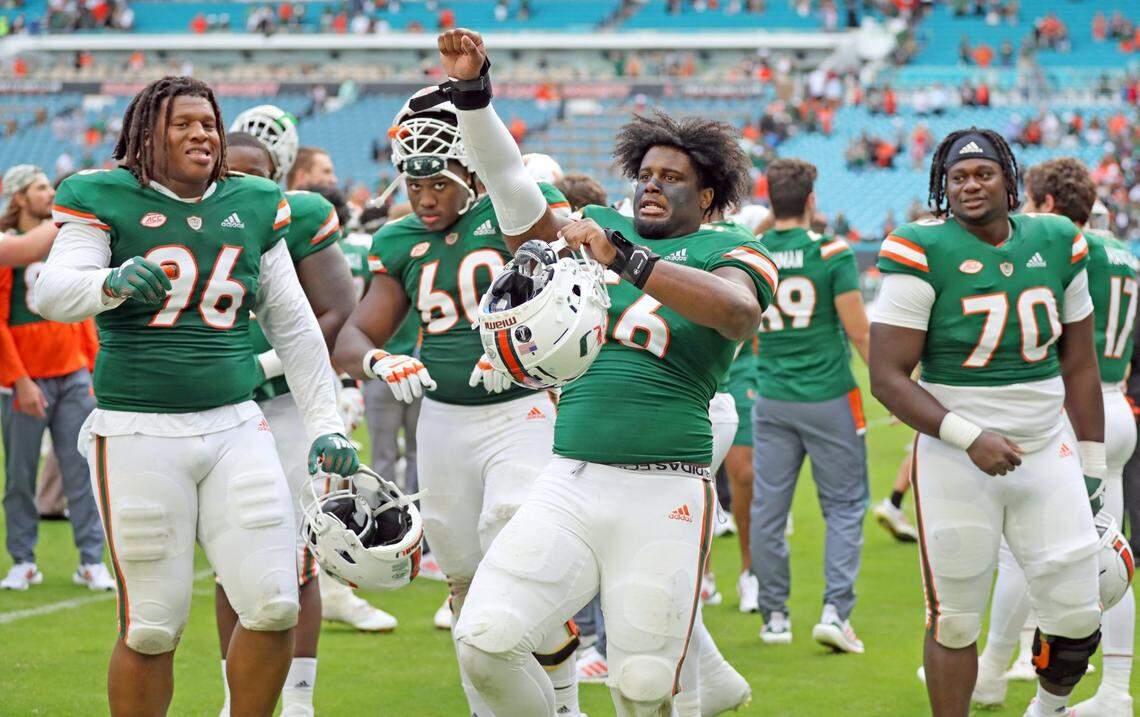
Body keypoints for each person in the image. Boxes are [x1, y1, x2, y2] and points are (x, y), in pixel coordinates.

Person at [426, 29, 776, 716]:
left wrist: (628, 261)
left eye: (671, 177)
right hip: (570, 479)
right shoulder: (593, 227)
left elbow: (737, 314)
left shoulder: (729, 247)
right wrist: (473, 96)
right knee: (484, 638)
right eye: (645, 174)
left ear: (708, 197)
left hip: (664, 488)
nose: (651, 185)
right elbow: (510, 183)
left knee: (644, 688)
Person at [33, 76, 359, 717]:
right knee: (153, 624)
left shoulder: (257, 201)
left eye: (208, 122)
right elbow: (51, 290)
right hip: (137, 431)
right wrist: (112, 282)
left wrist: (327, 423)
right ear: (144, 134)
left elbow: (294, 325)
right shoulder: (103, 197)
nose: (200, 134)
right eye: (181, 123)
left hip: (237, 423)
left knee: (273, 603)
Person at [333, 86, 582, 717]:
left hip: (520, 407)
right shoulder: (399, 240)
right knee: (464, 576)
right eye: (413, 185)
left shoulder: (510, 210)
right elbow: (354, 334)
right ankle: (487, 705)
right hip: (442, 420)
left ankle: (565, 702)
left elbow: (564, 280)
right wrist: (378, 359)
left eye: (436, 183)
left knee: (513, 530)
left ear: (468, 173)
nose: (423, 197)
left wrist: (515, 351)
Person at [870, 128, 1104, 717]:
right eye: (958, 177)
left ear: (1010, 176)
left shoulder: (1057, 240)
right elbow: (888, 376)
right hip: (957, 455)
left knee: (1078, 613)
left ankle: (1046, 709)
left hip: (1047, 447)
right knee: (954, 618)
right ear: (942, 187)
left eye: (983, 173)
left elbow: (1080, 362)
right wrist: (968, 436)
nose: (970, 185)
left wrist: (1094, 467)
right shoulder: (920, 246)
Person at [971, 157, 1136, 716]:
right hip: (1117, 407)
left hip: (1074, 413)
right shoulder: (1124, 253)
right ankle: (1114, 690)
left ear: (1045, 205)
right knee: (1109, 556)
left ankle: (992, 673)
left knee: (1022, 558)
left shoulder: (1068, 251)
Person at [210, 125, 366, 717]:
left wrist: (263, 362)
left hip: (289, 401)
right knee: (231, 561)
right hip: (223, 408)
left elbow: (337, 310)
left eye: (255, 174)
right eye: (231, 173)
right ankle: (238, 697)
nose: (240, 184)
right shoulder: (195, 215)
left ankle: (299, 700)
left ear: (276, 178)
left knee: (298, 557)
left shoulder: (296, 216)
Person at [748, 158, 872, 653]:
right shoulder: (832, 253)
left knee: (768, 509)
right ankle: (835, 613)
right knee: (843, 507)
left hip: (773, 396)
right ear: (812, 200)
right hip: (829, 398)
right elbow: (859, 329)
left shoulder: (753, 252)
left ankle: (774, 615)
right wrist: (896, 385)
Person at [0, 164, 110, 592]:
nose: (50, 191)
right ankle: (23, 560)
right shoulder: (10, 250)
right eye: (40, 186)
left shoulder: (68, 243)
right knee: (20, 476)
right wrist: (19, 379)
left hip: (72, 375)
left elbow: (81, 313)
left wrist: (91, 366)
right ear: (19, 198)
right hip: (25, 380)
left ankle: (90, 560)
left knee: (82, 471)